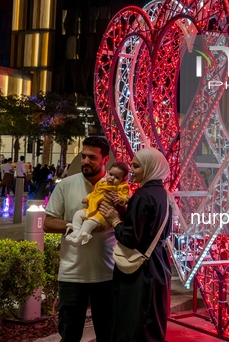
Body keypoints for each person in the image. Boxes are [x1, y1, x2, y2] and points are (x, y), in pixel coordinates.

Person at [43, 137, 116, 342]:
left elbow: (127, 221)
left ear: (105, 159)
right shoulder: (66, 185)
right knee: (69, 335)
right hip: (72, 275)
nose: (85, 161)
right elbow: (47, 223)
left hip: (107, 275)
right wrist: (76, 227)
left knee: (108, 334)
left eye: (92, 157)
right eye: (83, 156)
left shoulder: (115, 186)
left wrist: (109, 222)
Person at [99, 147, 173, 342]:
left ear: (150, 168)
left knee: (133, 323)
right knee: (152, 322)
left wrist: (115, 220)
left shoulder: (142, 195)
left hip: (140, 270)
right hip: (159, 263)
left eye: (137, 166)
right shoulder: (163, 194)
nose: (132, 170)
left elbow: (131, 238)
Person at [66, 162, 130, 246]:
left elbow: (126, 196)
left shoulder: (121, 187)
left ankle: (78, 240)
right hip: (93, 208)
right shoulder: (101, 183)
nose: (112, 178)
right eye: (111, 174)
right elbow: (94, 193)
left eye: (117, 177)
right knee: (78, 214)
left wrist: (121, 199)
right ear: (108, 171)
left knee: (88, 223)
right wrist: (87, 198)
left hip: (103, 213)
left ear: (123, 179)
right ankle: (76, 231)